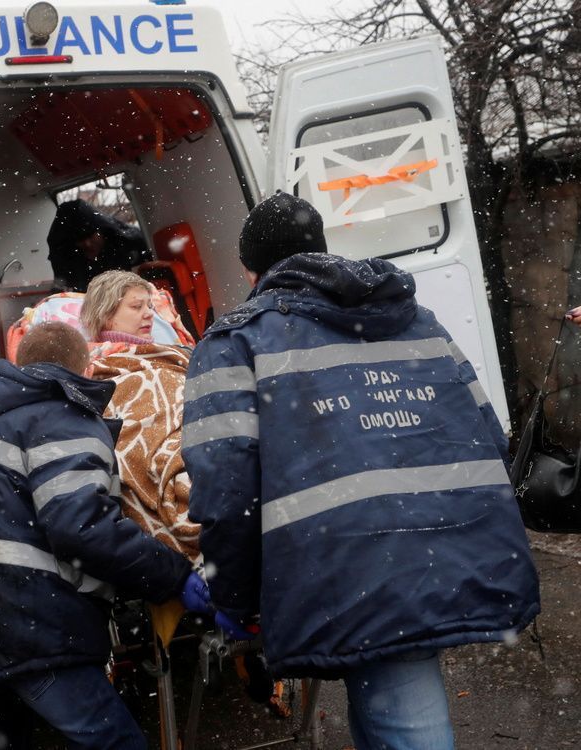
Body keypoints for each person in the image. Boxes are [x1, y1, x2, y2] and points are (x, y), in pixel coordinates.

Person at [181, 191, 541, 750]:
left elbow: (226, 490)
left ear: (252, 270)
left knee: (400, 701)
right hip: (442, 545)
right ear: (321, 249)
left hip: (351, 563)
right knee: (383, 692)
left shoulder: (233, 343)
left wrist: (231, 595)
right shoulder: (417, 319)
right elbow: (489, 435)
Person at [0, 321, 210, 750]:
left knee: (5, 728)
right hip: (19, 613)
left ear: (20, 363)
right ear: (86, 366)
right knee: (111, 738)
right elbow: (82, 528)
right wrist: (173, 577)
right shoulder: (62, 418)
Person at [80, 270, 200, 559]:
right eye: (136, 307)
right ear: (107, 315)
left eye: (149, 306)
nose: (148, 314)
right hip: (156, 475)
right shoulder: (96, 371)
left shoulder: (173, 357)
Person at [47, 200, 152, 292]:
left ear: (102, 230)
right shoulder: (67, 258)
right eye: (79, 240)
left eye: (90, 235)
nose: (87, 243)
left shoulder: (129, 244)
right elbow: (63, 288)